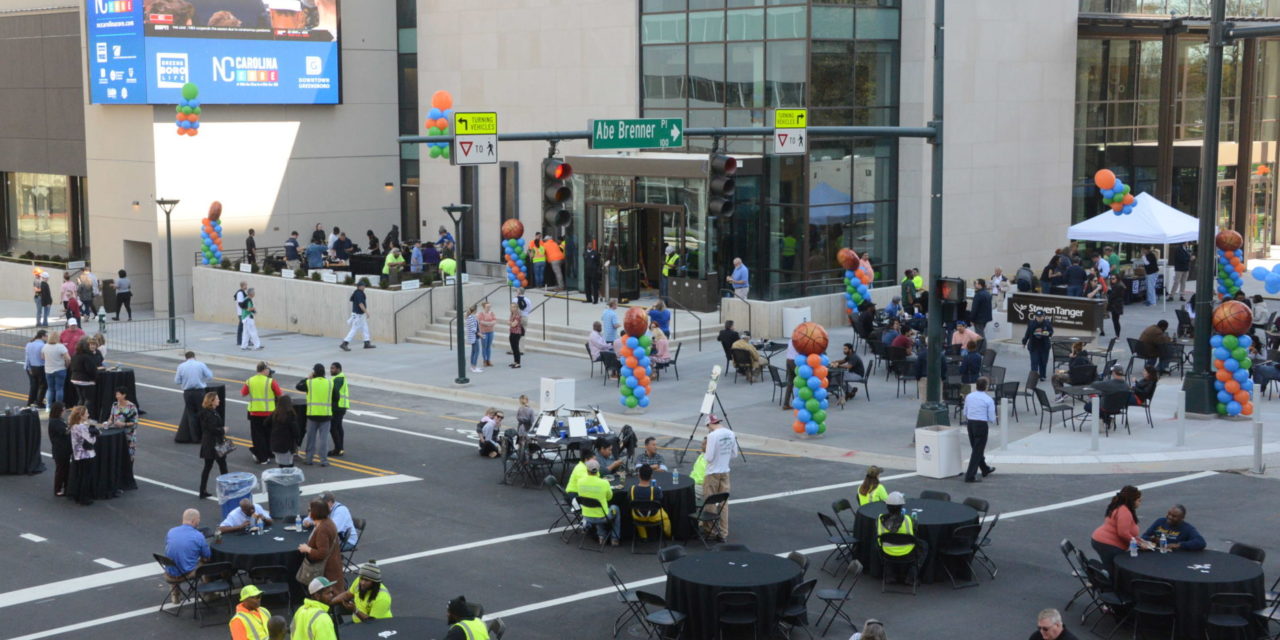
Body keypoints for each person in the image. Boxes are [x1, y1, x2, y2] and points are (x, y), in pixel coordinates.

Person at [1091, 485, 1151, 572]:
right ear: (1132, 500)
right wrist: (1139, 544)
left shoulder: (1118, 507)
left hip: (1100, 541)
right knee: (1114, 571)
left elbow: (1126, 531)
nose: (1140, 503)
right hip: (1107, 544)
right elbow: (1123, 533)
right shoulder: (1124, 512)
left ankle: (1098, 581)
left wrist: (1139, 540)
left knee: (1110, 568)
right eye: (1139, 500)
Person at [163, 508, 211, 603]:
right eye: (199, 519)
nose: (199, 521)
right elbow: (207, 556)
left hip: (169, 573)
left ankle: (175, 595)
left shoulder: (171, 531)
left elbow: (168, 546)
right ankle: (209, 593)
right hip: (186, 574)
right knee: (205, 564)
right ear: (193, 521)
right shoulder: (198, 536)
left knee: (175, 560)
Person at [298, 499, 346, 591]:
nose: (308, 512)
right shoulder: (327, 522)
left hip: (327, 570)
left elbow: (322, 553)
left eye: (310, 510)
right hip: (333, 566)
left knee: (330, 594)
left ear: (315, 512)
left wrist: (307, 549)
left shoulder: (323, 529)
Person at [241, 362, 283, 465]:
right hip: (269, 413)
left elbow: (243, 393)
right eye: (268, 369)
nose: (269, 371)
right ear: (264, 370)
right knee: (269, 434)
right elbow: (279, 394)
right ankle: (269, 453)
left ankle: (262, 457)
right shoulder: (271, 381)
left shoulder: (250, 381)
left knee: (258, 436)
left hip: (255, 413)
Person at [703, 414, 736, 541]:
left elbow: (709, 457)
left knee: (710, 501)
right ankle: (723, 532)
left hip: (712, 472)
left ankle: (710, 531)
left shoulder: (712, 436)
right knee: (724, 503)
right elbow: (734, 454)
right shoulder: (731, 433)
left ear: (709, 424)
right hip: (725, 471)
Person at [877, 492, 919, 583]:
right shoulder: (908, 519)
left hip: (886, 551)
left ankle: (889, 575)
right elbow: (914, 533)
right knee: (924, 545)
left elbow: (878, 538)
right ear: (901, 507)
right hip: (907, 552)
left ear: (887, 506)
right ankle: (911, 577)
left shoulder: (880, 519)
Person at [296, 363, 333, 467]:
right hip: (326, 415)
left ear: (314, 372)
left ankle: (309, 459)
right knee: (323, 439)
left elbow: (298, 386)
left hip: (312, 415)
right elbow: (336, 397)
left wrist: (308, 377)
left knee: (311, 438)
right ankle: (324, 461)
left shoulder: (310, 383)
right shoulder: (329, 383)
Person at [578, 458, 621, 545]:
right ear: (598, 470)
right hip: (602, 517)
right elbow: (609, 497)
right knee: (614, 508)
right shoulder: (604, 483)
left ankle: (601, 536)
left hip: (586, 516)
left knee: (597, 508)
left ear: (587, 470)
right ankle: (615, 538)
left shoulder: (580, 482)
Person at [963, 378, 997, 483]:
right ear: (986, 386)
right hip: (981, 424)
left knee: (976, 448)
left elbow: (965, 412)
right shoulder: (988, 399)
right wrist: (993, 419)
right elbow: (991, 417)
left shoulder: (969, 396)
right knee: (977, 451)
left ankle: (984, 468)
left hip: (970, 423)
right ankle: (970, 475)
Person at [176, 351, 214, 440]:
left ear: (186, 358)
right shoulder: (200, 365)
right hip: (199, 392)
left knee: (191, 414)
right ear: (194, 356)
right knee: (203, 413)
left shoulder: (181, 366)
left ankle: (195, 437)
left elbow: (177, 381)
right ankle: (204, 435)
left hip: (187, 392)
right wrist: (201, 379)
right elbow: (210, 376)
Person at [197, 392, 228, 499]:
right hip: (215, 444)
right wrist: (222, 430)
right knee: (223, 467)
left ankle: (202, 490)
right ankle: (226, 490)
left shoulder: (206, 412)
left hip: (208, 443)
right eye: (217, 399)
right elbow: (213, 429)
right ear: (212, 401)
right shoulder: (211, 414)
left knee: (208, 467)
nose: (219, 400)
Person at [630, 464, 671, 539]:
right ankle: (668, 534)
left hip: (638, 516)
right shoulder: (655, 490)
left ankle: (643, 536)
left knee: (637, 509)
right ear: (651, 476)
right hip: (653, 515)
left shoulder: (632, 489)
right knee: (665, 517)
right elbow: (661, 498)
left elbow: (629, 500)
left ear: (638, 475)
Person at [1141, 504, 1206, 551]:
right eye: (1169, 514)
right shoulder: (1160, 521)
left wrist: (1178, 545)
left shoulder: (1187, 528)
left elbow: (1201, 542)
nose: (1169, 517)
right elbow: (1144, 537)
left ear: (1182, 518)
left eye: (1174, 516)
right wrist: (1152, 539)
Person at [339, 281, 375, 351]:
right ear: (359, 286)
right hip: (358, 315)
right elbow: (360, 304)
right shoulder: (359, 294)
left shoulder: (356, 292)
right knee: (354, 330)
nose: (364, 287)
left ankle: (367, 342)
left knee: (365, 328)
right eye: (363, 286)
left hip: (360, 315)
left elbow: (352, 299)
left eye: (364, 285)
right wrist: (366, 312)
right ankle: (344, 343)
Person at [68, 338, 99, 417]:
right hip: (85, 380)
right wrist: (94, 379)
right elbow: (91, 370)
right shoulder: (87, 357)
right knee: (89, 400)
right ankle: (86, 416)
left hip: (75, 379)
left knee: (81, 399)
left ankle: (76, 415)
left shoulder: (75, 355)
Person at [107, 387, 138, 461]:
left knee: (128, 456)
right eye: (116, 394)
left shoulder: (131, 406)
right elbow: (111, 417)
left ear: (124, 395)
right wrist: (108, 422)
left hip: (128, 435)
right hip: (117, 433)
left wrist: (124, 424)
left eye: (118, 394)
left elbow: (135, 422)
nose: (117, 396)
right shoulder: (114, 404)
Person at [46, 403, 70, 496]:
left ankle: (64, 486)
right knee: (61, 470)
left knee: (65, 469)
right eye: (63, 410)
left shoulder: (58, 420)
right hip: (60, 450)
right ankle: (57, 489)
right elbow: (65, 431)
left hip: (63, 449)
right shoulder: (55, 422)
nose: (64, 412)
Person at [270, 395, 301, 467]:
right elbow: (296, 432)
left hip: (276, 444)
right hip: (287, 446)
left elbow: (266, 423)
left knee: (281, 465)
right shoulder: (291, 416)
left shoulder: (275, 414)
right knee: (289, 465)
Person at [1022, 309, 1053, 379]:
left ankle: (1042, 376)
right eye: (1037, 316)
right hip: (1034, 346)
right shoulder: (1031, 323)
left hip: (1044, 346)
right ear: (1035, 316)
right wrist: (1024, 342)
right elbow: (1027, 333)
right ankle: (1034, 377)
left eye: (1040, 316)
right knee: (1034, 362)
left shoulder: (1047, 323)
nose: (1039, 318)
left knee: (1043, 362)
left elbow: (1051, 332)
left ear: (1043, 316)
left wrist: (1047, 333)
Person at [40, 331, 67, 408]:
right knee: (59, 389)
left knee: (50, 389)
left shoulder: (45, 346)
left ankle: (48, 406)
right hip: (60, 369)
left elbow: (42, 357)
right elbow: (68, 358)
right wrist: (66, 364)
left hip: (48, 370)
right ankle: (58, 407)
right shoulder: (60, 346)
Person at [24, 330, 47, 408]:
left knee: (33, 385)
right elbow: (44, 357)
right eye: (46, 336)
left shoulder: (29, 344)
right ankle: (39, 402)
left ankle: (30, 401)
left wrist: (28, 367)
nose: (47, 338)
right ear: (42, 336)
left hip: (31, 367)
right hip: (40, 366)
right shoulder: (43, 345)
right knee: (43, 385)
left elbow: (27, 358)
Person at [477, 301, 497, 368]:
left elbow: (494, 320)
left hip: (491, 331)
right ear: (484, 307)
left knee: (489, 346)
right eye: (487, 306)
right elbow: (481, 322)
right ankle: (484, 360)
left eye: (490, 306)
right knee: (484, 346)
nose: (489, 308)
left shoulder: (492, 313)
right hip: (484, 332)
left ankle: (489, 360)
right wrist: (490, 323)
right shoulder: (481, 314)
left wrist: (489, 323)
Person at [508, 302, 524, 369]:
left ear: (517, 308)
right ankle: (515, 361)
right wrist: (511, 323)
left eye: (514, 307)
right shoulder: (512, 314)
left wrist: (510, 323)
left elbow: (513, 324)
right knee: (513, 348)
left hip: (517, 333)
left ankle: (518, 363)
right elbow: (509, 322)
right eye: (512, 307)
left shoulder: (518, 315)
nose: (513, 308)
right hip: (512, 332)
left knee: (516, 348)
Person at [234, 281, 249, 346]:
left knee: (244, 327)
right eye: (246, 285)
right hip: (241, 313)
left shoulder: (242, 292)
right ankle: (240, 341)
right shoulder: (240, 293)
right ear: (242, 286)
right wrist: (245, 309)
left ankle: (241, 341)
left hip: (242, 312)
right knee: (242, 327)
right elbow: (240, 303)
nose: (247, 286)